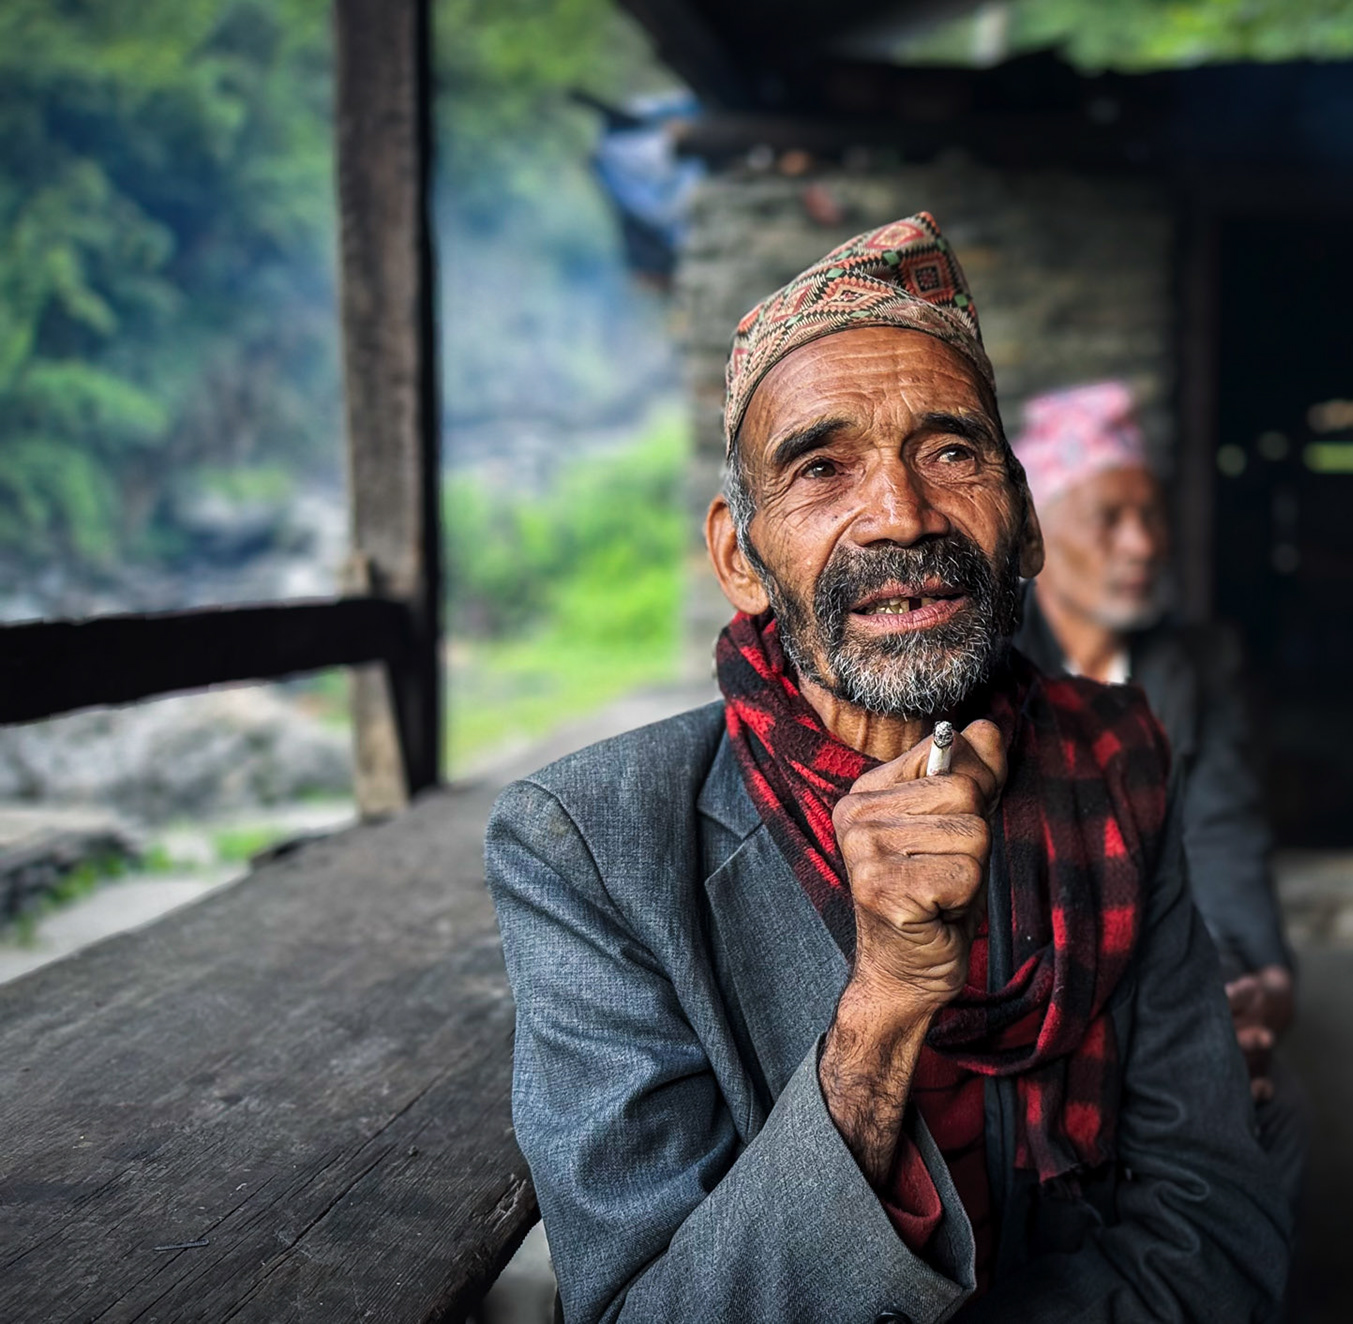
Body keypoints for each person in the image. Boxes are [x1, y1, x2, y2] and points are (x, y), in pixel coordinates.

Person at [486, 212, 1293, 1323]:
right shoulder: (589, 842)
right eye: (821, 467)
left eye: (951, 451)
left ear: (1024, 522)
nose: (902, 514)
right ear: (741, 556)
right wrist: (882, 1006)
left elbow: (1215, 1232)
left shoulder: (1116, 762)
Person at [1009, 383, 1299, 1112]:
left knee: (1267, 1109)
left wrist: (1254, 978)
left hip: (1175, 964)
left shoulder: (1199, 665)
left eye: (1150, 515)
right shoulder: (992, 666)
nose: (1142, 543)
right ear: (1037, 534)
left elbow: (1221, 829)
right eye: (1110, 518)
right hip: (1039, 993)